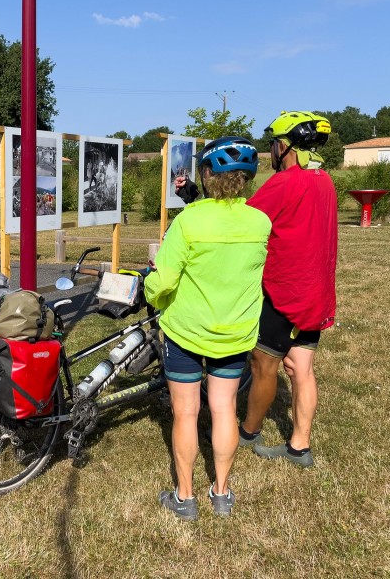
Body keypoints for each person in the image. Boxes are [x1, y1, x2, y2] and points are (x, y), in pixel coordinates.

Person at [144, 137, 271, 520]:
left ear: (207, 175)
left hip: (186, 331)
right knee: (224, 409)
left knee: (185, 413)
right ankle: (221, 491)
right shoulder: (260, 221)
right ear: (246, 179)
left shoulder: (190, 221)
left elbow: (163, 282)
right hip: (235, 332)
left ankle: (185, 498)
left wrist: (151, 290)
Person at [239, 111, 338, 468]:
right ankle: (300, 446)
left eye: (272, 145)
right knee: (301, 367)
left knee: (264, 364)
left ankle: (248, 432)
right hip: (316, 292)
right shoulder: (324, 180)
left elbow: (246, 223)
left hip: (285, 293)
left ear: (284, 147)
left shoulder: (284, 182)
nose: (270, 152)